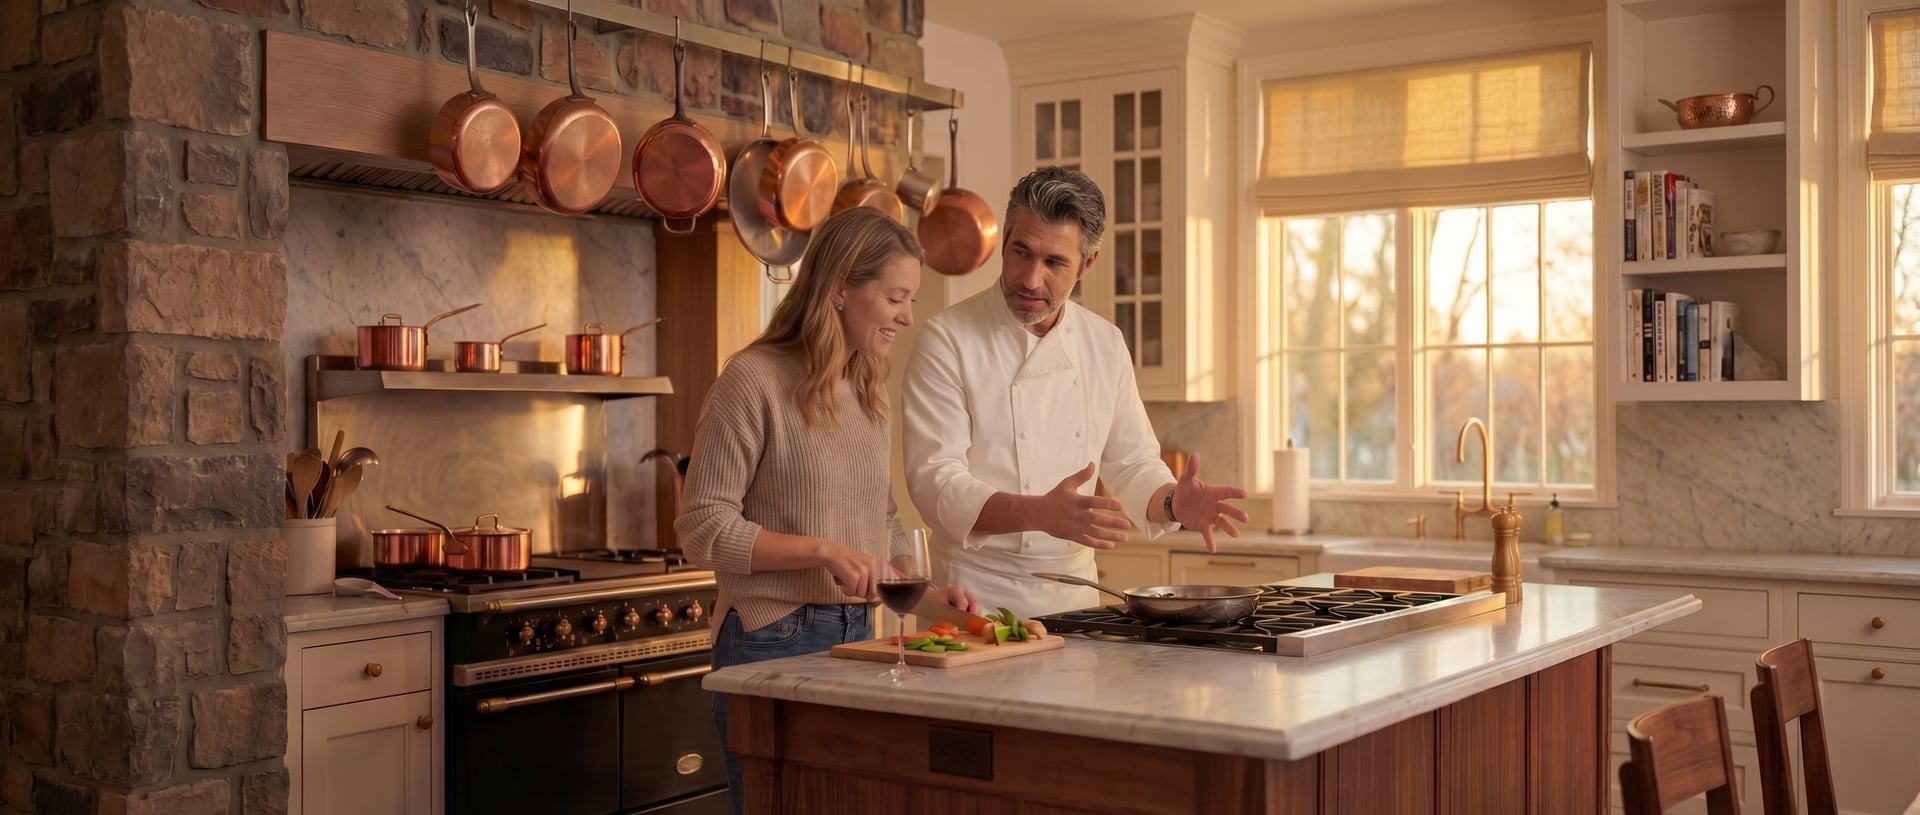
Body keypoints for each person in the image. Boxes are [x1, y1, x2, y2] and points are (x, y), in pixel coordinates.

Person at [676, 207, 980, 814]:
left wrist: (927, 597)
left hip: (856, 641)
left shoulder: (868, 390)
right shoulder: (752, 379)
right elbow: (702, 527)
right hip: (769, 639)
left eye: (910, 299)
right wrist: (820, 550)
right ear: (840, 287)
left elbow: (882, 521)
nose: (907, 315)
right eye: (895, 297)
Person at [901, 166, 1250, 615]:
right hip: (972, 597)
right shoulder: (946, 339)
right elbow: (934, 480)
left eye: (1054, 263)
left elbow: (1133, 462)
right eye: (1021, 253)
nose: (1030, 279)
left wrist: (1171, 504)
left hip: (1074, 599)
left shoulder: (1104, 344)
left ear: (1088, 264)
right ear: (1004, 239)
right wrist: (1036, 513)